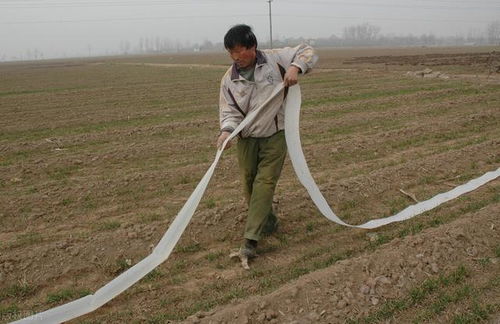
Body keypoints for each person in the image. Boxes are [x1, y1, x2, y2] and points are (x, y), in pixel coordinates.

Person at [216, 24, 317, 265]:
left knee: (265, 182)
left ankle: (250, 241)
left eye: (240, 51)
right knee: (249, 184)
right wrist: (226, 132)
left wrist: (295, 67)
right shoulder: (229, 80)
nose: (235, 57)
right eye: (231, 52)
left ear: (252, 47)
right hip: (247, 138)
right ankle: (268, 221)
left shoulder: (275, 60)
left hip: (275, 134)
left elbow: (308, 51)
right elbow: (229, 112)